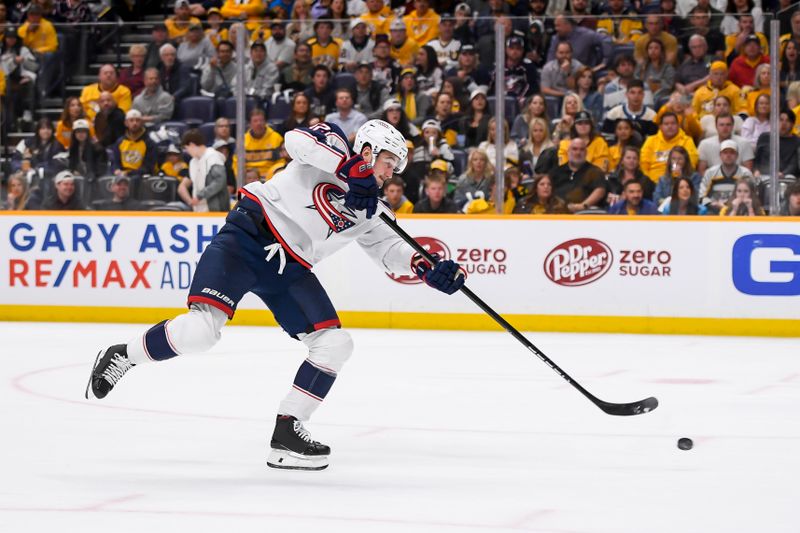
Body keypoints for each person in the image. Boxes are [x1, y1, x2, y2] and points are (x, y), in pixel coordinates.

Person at [86, 119, 466, 472]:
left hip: (289, 269)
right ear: (367, 150)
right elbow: (296, 141)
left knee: (335, 344)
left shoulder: (372, 209)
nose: (391, 173)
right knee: (201, 333)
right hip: (248, 236)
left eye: (396, 167)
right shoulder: (332, 147)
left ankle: (288, 431)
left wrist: (426, 267)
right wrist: (352, 170)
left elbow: (389, 251)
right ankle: (123, 354)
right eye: (387, 162)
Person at [176, 129, 230, 212]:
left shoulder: (213, 157)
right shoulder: (193, 162)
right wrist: (191, 201)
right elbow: (183, 186)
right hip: (199, 210)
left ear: (191, 145)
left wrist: (200, 196)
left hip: (216, 209)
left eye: (186, 148)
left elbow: (219, 181)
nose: (187, 152)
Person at [550, 138, 607, 212]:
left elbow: (600, 190)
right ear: (568, 152)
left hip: (585, 214)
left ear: (586, 153)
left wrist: (583, 206)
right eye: (574, 149)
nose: (578, 152)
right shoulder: (556, 171)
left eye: (581, 149)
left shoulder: (595, 171)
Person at [640, 112, 699, 183]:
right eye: (666, 124)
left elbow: (691, 164)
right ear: (660, 127)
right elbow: (643, 165)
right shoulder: (651, 141)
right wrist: (648, 182)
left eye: (673, 123)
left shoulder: (687, 141)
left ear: (678, 125)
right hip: (653, 182)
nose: (670, 126)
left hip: (678, 181)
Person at [700, 139, 755, 214]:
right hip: (714, 211)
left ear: (737, 155)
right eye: (725, 152)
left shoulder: (746, 174)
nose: (728, 155)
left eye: (732, 152)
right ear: (720, 155)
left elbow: (753, 196)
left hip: (740, 210)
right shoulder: (710, 173)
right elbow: (702, 196)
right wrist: (713, 204)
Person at [233, 108, 286, 181]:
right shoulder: (242, 141)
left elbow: (281, 162)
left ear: (265, 122)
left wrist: (271, 176)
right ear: (250, 124)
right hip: (249, 179)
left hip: (270, 178)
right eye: (255, 121)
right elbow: (236, 164)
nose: (259, 123)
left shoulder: (276, 138)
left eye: (261, 120)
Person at [110, 109, 158, 180]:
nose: (134, 123)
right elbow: (115, 162)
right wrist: (116, 170)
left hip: (141, 178)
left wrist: (128, 173)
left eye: (137, 120)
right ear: (126, 123)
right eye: (131, 120)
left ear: (142, 123)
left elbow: (148, 167)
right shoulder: (120, 142)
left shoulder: (150, 143)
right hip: (122, 176)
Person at [754, 109, 800, 178]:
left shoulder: (797, 141)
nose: (784, 123)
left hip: (786, 176)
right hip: (764, 175)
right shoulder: (764, 137)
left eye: (787, 121)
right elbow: (757, 159)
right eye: (781, 120)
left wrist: (783, 174)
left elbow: (794, 164)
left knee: (790, 177)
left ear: (792, 124)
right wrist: (756, 170)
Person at [635, 38, 675, 105]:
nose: (653, 50)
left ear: (661, 51)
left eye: (656, 48)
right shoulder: (642, 66)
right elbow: (635, 80)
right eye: (650, 48)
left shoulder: (667, 67)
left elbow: (669, 85)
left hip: (661, 95)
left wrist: (655, 82)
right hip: (643, 93)